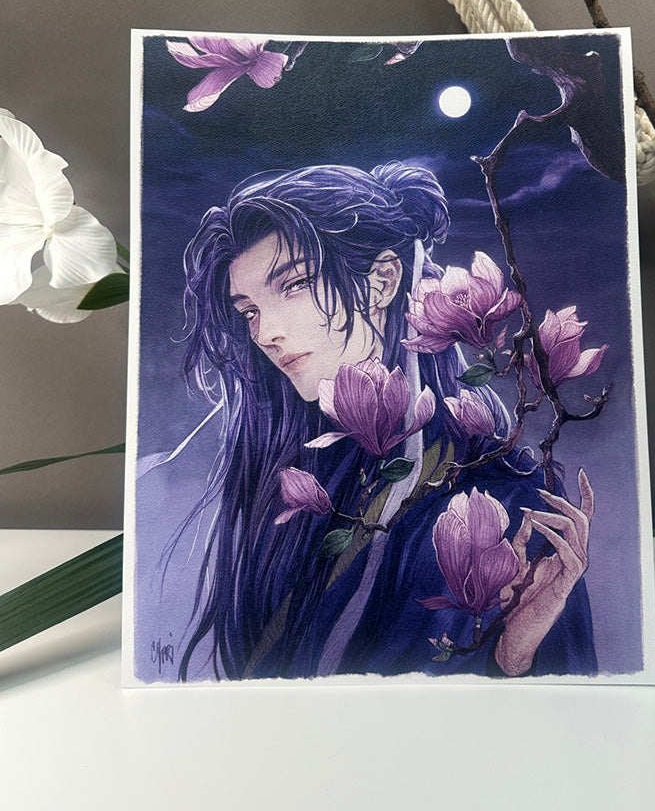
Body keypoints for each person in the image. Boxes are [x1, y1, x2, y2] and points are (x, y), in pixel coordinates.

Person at [169, 161, 596, 681]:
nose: (265, 332)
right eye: (249, 311)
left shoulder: (511, 495)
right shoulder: (292, 477)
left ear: (383, 281)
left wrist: (513, 656)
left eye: (295, 284)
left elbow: (568, 700)